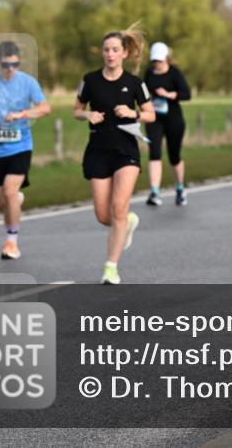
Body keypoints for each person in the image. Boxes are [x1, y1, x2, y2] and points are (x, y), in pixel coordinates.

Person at [74, 27, 155, 284]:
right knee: (103, 215)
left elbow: (151, 114)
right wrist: (87, 115)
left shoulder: (135, 83)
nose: (110, 54)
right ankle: (127, 222)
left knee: (118, 208)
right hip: (98, 150)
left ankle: (111, 267)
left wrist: (134, 114)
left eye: (115, 50)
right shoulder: (90, 80)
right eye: (106, 50)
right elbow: (76, 109)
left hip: (125, 151)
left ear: (125, 53)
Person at [0, 41, 51, 260]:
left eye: (16, 64)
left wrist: (23, 114)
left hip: (21, 146)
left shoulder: (28, 82)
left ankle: (11, 242)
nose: (11, 69)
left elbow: (45, 108)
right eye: (7, 64)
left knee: (9, 191)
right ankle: (15, 202)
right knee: (0, 202)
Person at [143, 42, 192, 207]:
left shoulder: (174, 73)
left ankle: (180, 188)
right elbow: (143, 92)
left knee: (174, 155)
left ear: (166, 58)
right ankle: (154, 192)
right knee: (154, 152)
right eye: (154, 61)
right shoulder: (149, 73)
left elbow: (187, 94)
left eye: (159, 60)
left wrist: (169, 94)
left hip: (173, 118)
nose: (156, 64)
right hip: (154, 118)